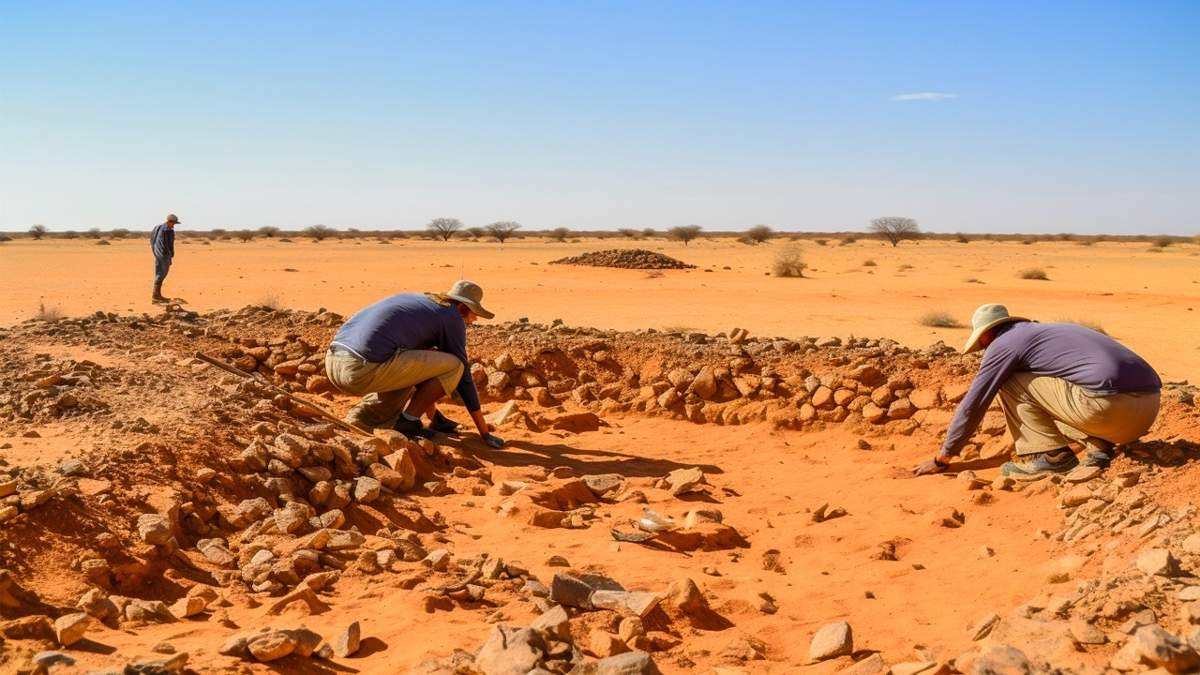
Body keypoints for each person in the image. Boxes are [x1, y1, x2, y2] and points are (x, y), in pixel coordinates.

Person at [914, 304, 1160, 478]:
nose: (984, 349)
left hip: (1109, 410)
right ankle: (1098, 444)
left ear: (987, 334)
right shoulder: (1049, 332)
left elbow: (975, 402)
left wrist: (944, 457)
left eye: (982, 344)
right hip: (1146, 411)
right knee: (1059, 382)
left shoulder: (1004, 344)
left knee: (1010, 381)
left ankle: (1052, 458)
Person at [325, 280, 504, 448]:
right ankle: (408, 423)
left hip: (333, 362)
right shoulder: (451, 316)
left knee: (423, 362)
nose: (474, 320)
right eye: (474, 313)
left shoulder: (421, 304)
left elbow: (420, 368)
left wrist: (434, 417)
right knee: (455, 365)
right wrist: (484, 432)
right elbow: (464, 376)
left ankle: (363, 419)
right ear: (462, 307)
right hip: (359, 370)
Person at [150, 214, 179, 303]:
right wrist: (170, 255)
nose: (173, 225)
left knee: (159, 273)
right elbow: (169, 245)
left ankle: (156, 295)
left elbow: (152, 240)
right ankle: (156, 296)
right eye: (173, 223)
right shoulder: (168, 231)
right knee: (161, 273)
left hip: (157, 253)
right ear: (169, 221)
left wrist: (155, 252)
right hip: (164, 255)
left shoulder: (157, 227)